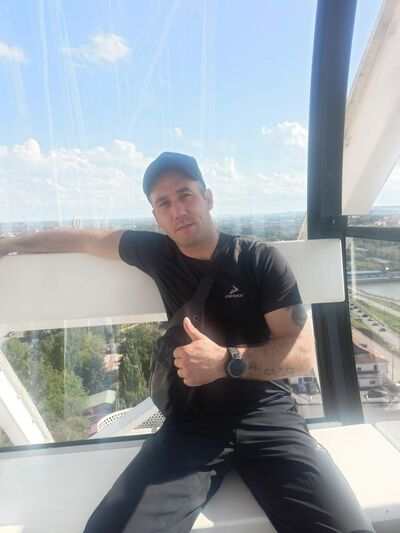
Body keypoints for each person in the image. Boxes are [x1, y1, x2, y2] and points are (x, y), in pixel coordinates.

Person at [0, 152, 374, 533]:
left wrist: (226, 361)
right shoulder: (157, 254)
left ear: (207, 198)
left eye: (185, 195)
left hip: (269, 415)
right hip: (193, 423)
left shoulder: (258, 259)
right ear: (156, 217)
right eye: (164, 203)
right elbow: (83, 239)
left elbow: (302, 353)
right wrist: (12, 242)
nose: (178, 210)